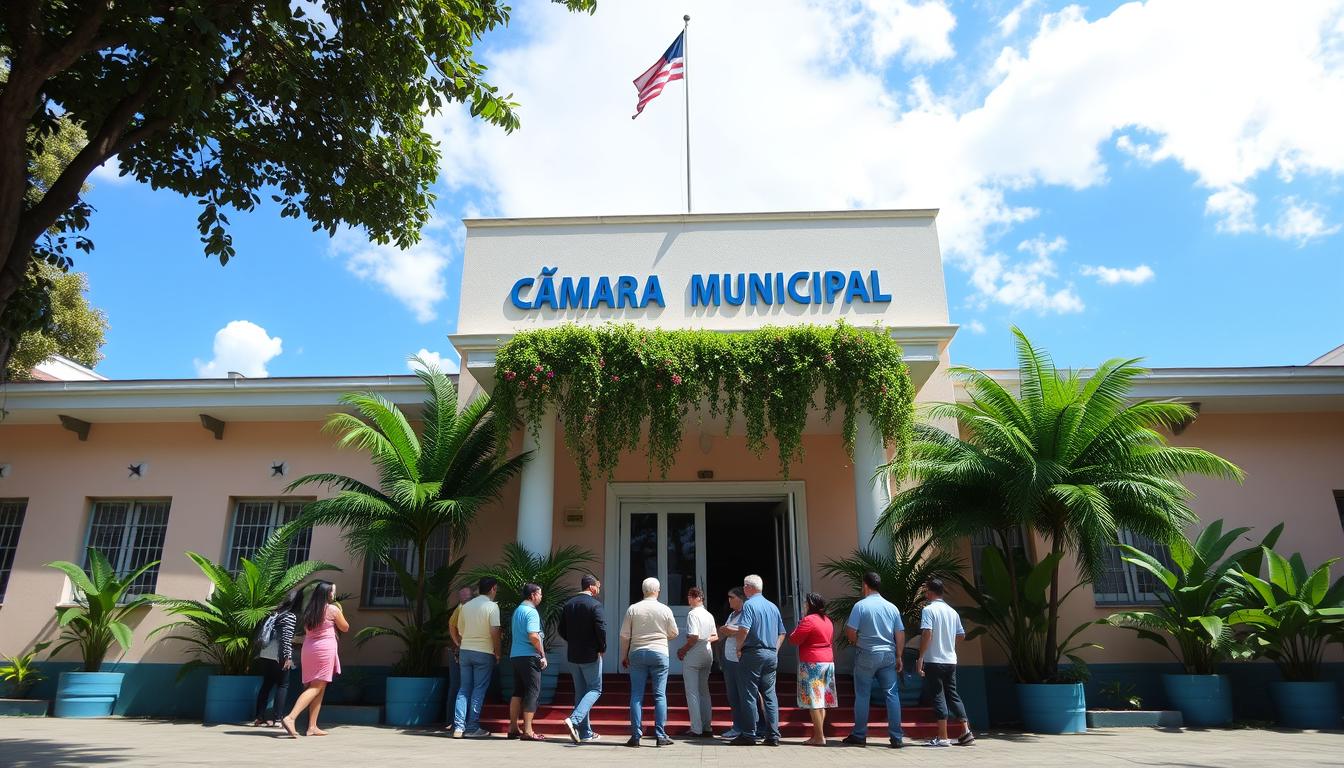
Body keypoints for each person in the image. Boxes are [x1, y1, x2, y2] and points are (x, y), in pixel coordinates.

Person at [842, 571, 905, 749]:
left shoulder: (860, 606)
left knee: (862, 694)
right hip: (888, 655)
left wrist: (858, 642)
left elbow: (850, 631)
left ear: (865, 585)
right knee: (892, 695)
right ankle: (896, 737)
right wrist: (899, 655)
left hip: (867, 653)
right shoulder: (892, 607)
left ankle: (860, 734)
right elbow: (899, 633)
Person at [280, 581, 348, 738]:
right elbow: (345, 627)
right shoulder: (332, 609)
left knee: (318, 686)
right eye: (333, 591)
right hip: (324, 650)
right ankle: (291, 718)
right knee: (316, 687)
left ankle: (312, 726)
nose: (334, 594)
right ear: (327, 594)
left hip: (309, 649)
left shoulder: (310, 610)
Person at [620, 576, 679, 748]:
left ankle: (635, 736)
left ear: (643, 590)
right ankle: (660, 736)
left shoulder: (633, 608)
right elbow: (674, 632)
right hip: (660, 652)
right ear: (657, 590)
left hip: (637, 652)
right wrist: (662, 637)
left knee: (636, 695)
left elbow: (624, 635)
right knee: (660, 695)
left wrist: (624, 655)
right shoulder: (665, 609)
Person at [916, 578, 975, 747]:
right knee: (953, 695)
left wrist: (921, 657)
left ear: (930, 591)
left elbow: (927, 633)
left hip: (934, 660)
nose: (925, 593)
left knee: (937, 695)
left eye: (926, 590)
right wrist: (948, 643)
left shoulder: (928, 610)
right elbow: (962, 635)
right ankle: (966, 731)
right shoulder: (952, 612)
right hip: (950, 660)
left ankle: (942, 737)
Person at [729, 574, 785, 747]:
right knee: (769, 694)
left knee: (748, 695)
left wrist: (738, 648)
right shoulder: (772, 607)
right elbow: (782, 632)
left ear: (749, 587)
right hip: (770, 654)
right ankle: (773, 735)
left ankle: (749, 734)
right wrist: (774, 650)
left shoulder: (749, 605)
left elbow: (743, 630)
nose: (744, 590)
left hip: (753, 653)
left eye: (745, 587)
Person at [451, 577, 502, 739]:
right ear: (493, 588)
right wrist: (498, 651)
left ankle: (458, 727)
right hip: (484, 652)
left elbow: (460, 630)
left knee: (463, 689)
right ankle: (472, 727)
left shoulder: (465, 606)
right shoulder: (492, 607)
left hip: (465, 650)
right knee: (478, 689)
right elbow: (495, 632)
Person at [559, 574, 606, 744]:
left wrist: (573, 641)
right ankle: (575, 720)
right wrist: (602, 648)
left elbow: (561, 629)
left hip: (573, 654)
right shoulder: (595, 605)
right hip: (590, 654)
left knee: (581, 692)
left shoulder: (568, 604)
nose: (598, 590)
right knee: (595, 689)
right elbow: (601, 628)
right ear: (592, 587)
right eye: (598, 587)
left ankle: (585, 732)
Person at [789, 592, 838, 746]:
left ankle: (819, 737)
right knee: (821, 700)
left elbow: (794, 639)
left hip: (812, 663)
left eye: (805, 603)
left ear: (810, 605)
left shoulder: (808, 620)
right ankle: (817, 734)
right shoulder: (827, 620)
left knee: (814, 701)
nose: (804, 606)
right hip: (827, 661)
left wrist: (798, 626)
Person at [253, 588, 300, 727]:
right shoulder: (290, 616)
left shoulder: (274, 613)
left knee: (266, 685)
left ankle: (259, 717)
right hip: (278, 654)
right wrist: (287, 657)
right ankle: (277, 719)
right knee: (283, 685)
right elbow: (285, 639)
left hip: (265, 652)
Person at [508, 582, 548, 741]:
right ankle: (528, 731)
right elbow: (533, 635)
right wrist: (542, 653)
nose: (541, 596)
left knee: (518, 691)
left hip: (516, 655)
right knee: (532, 691)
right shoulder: (531, 612)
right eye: (540, 593)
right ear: (532, 595)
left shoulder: (518, 610)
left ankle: (513, 727)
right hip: (529, 656)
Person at [676, 586, 718, 737]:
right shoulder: (708, 614)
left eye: (691, 596)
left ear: (697, 598)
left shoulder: (692, 614)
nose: (689, 599)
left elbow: (693, 637)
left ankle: (696, 728)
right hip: (707, 652)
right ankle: (707, 726)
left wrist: (683, 650)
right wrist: (705, 640)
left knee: (692, 692)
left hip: (695, 653)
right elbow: (715, 636)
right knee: (704, 691)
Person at [717, 587, 748, 741]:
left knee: (745, 695)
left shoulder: (747, 613)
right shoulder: (731, 614)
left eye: (731, 597)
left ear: (740, 598)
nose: (729, 600)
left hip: (741, 659)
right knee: (733, 695)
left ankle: (749, 727)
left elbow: (748, 631)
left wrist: (732, 631)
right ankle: (737, 726)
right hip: (729, 658)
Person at [445, 585, 474, 725]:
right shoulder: (461, 608)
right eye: (462, 597)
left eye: (467, 597)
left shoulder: (466, 608)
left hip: (464, 650)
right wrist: (457, 642)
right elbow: (451, 625)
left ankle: (456, 720)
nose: (464, 599)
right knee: (458, 685)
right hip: (459, 651)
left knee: (460, 686)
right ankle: (452, 720)